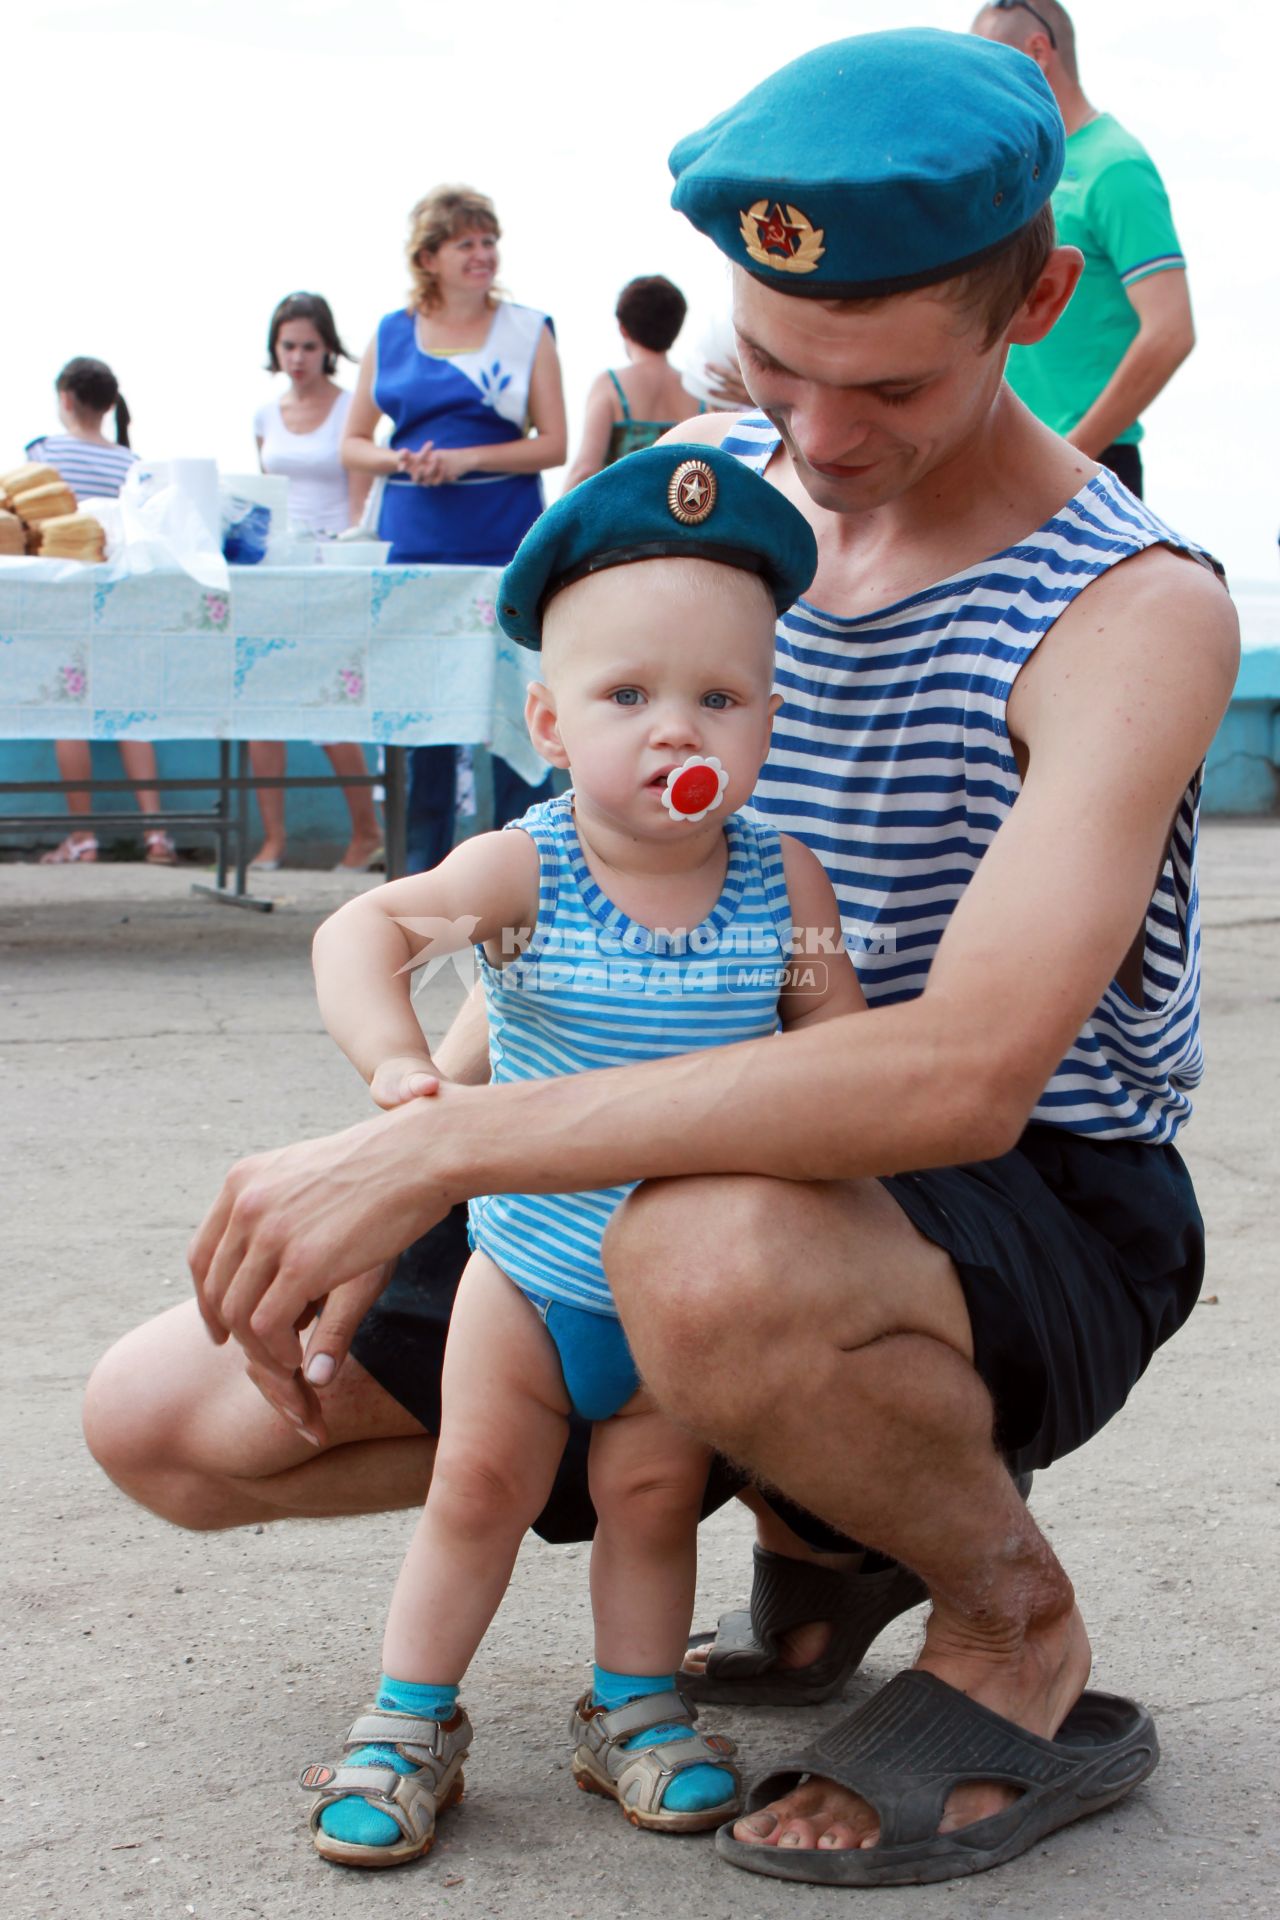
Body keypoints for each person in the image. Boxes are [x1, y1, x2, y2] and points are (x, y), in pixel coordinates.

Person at [86, 28, 1239, 1890]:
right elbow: (584, 865)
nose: (821, 436)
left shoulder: (1129, 606)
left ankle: (1006, 1614)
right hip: (629, 1124)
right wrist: (433, 1105)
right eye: (773, 361)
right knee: (173, 1419)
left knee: (694, 1248)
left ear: (1036, 299)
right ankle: (810, 1484)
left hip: (1000, 1191)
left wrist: (443, 1156)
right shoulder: (718, 499)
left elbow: (967, 1072)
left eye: (889, 385)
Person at [297, 444, 861, 1864]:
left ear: (769, 722)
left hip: (688, 1295)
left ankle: (635, 1709)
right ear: (549, 720)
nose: (679, 732)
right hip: (533, 1278)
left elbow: (841, 1043)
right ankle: (409, 1715)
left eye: (719, 698)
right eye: (629, 696)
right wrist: (401, 1070)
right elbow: (362, 931)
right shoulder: (527, 869)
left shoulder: (785, 882)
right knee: (476, 1488)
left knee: (653, 1496)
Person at [340, 186, 567, 873]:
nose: (483, 254)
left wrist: (469, 457)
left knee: (519, 700)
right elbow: (353, 443)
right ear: (429, 256)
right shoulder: (390, 331)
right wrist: (399, 458)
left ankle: (519, 867)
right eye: (466, 242)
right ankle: (417, 871)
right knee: (419, 708)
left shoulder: (530, 329)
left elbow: (554, 443)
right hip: (414, 543)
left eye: (488, 240)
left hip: (502, 536)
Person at [972, 1, 1194, 498]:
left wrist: (1071, 451)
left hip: (1080, 464)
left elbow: (1171, 331)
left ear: (1038, 51)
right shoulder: (1017, 170)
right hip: (992, 462)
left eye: (992, 62)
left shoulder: (1116, 167)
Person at [247, 292, 381, 873]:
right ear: (275, 350)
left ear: (327, 348)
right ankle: (272, 841)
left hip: (333, 571)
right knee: (261, 706)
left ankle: (366, 832)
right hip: (277, 570)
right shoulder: (263, 417)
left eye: (308, 345)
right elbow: (264, 499)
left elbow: (360, 504)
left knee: (330, 709)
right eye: (288, 345)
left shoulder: (352, 408)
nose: (297, 356)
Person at [28, 358, 176, 867]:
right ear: (110, 404)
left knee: (70, 714)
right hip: (120, 601)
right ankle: (157, 834)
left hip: (63, 598)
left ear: (65, 398)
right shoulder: (130, 463)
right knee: (133, 713)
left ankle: (83, 839)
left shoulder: (43, 454)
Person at [562, 275, 703, 487]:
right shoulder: (697, 391)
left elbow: (584, 470)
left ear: (623, 328)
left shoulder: (610, 384)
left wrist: (552, 518)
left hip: (623, 517)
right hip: (685, 514)